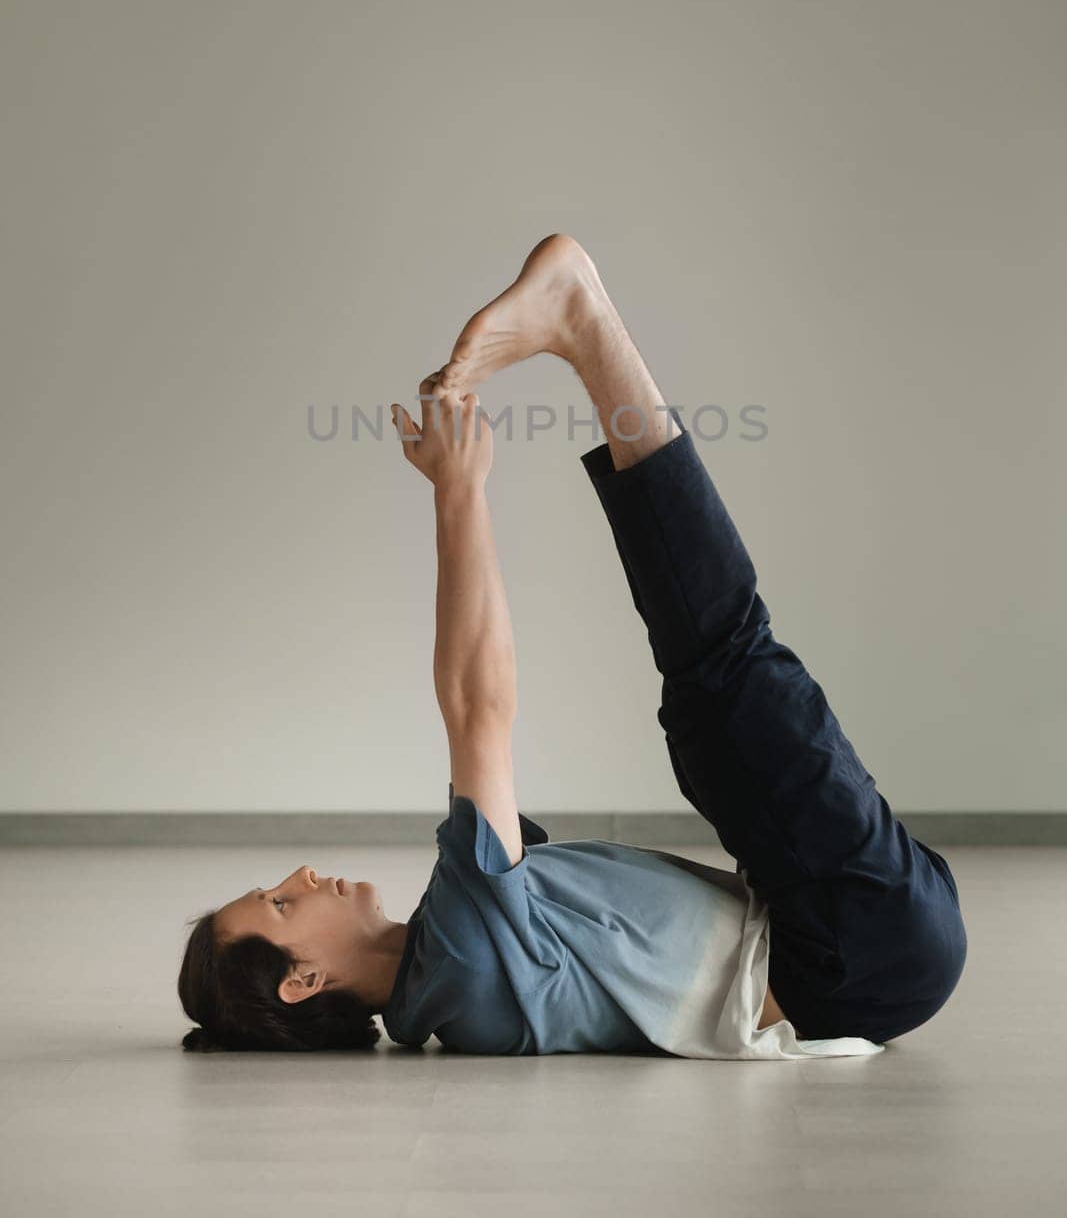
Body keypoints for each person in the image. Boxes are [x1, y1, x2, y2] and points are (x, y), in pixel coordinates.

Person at [178, 234, 967, 1056]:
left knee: (706, 694)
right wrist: (459, 494)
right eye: (279, 905)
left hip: (846, 940)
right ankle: (581, 321)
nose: (300, 876)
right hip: (857, 944)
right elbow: (477, 708)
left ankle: (580, 321)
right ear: (301, 980)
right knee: (720, 658)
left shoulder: (455, 967)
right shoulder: (460, 956)